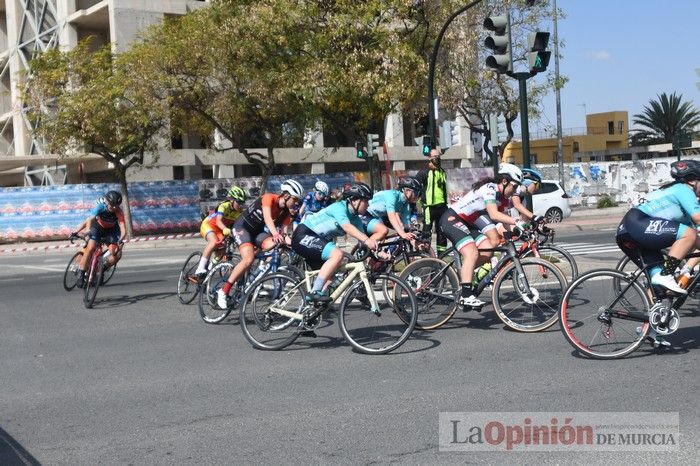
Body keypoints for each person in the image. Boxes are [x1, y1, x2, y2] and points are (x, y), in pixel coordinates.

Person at [441, 163, 527, 310]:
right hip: (452, 218)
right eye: (514, 186)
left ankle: (464, 275)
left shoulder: (501, 196)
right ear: (504, 181)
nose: (515, 190)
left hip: (469, 223)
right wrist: (517, 221)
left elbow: (503, 220)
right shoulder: (490, 188)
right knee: (472, 252)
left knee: (488, 250)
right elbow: (494, 215)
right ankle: (466, 295)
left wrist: (523, 230)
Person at [291, 182, 386, 303]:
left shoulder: (355, 218)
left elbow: (363, 242)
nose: (368, 205)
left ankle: (313, 308)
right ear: (355, 200)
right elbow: (347, 227)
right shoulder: (339, 207)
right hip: (303, 235)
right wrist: (367, 240)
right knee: (337, 254)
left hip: (317, 241)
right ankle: (314, 292)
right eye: (366, 201)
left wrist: (380, 253)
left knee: (333, 280)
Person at [216, 179, 304, 309]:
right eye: (295, 199)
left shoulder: (286, 212)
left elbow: (284, 234)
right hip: (242, 227)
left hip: (257, 232)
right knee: (248, 258)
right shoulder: (269, 198)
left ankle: (255, 276)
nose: (296, 203)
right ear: (286, 196)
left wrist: (297, 245)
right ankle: (223, 291)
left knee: (276, 248)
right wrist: (275, 234)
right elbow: (268, 218)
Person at [72, 190, 128, 287]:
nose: (114, 207)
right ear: (107, 202)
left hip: (111, 231)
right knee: (90, 248)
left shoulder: (118, 211)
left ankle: (102, 267)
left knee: (117, 254)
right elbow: (89, 219)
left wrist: (121, 239)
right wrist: (88, 231)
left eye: (116, 205)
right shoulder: (100, 207)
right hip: (98, 228)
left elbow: (123, 227)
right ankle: (81, 275)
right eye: (112, 205)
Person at [194, 186, 248, 277]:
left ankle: (210, 267)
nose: (241, 205)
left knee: (223, 248)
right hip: (208, 225)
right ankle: (200, 268)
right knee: (214, 242)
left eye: (242, 202)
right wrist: (225, 229)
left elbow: (241, 226)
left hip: (220, 229)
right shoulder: (224, 206)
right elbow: (218, 221)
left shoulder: (239, 212)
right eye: (239, 202)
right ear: (232, 200)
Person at [364, 176, 423, 244]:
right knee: (383, 230)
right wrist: (402, 234)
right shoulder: (392, 195)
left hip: (379, 217)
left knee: (396, 232)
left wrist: (412, 236)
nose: (417, 196)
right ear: (407, 191)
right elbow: (392, 217)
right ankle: (366, 248)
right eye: (416, 193)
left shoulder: (405, 203)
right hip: (366, 214)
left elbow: (406, 224)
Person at [416, 149, 448, 254]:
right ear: (429, 158)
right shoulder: (424, 172)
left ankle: (442, 255)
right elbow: (415, 185)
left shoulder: (442, 172)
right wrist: (420, 199)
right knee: (426, 232)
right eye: (435, 156)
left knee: (442, 231)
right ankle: (425, 254)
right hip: (429, 207)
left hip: (442, 207)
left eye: (438, 156)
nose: (437, 158)